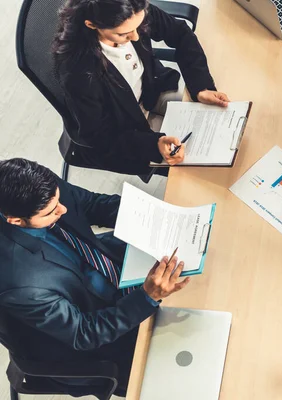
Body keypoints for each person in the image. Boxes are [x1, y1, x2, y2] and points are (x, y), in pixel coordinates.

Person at [0, 158, 190, 394]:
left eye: (58, 199)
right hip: (93, 331)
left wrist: (155, 217)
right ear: (16, 221)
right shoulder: (22, 284)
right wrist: (147, 297)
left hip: (103, 264)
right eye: (51, 212)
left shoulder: (39, 187)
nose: (63, 209)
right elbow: (83, 333)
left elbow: (90, 205)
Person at [53, 0, 230, 177]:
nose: (136, 37)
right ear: (92, 24)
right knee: (204, 170)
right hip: (124, 127)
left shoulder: (132, 9)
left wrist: (201, 87)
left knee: (219, 122)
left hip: (151, 88)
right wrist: (154, 145)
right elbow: (99, 135)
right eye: (123, 34)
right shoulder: (78, 73)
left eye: (138, 26)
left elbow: (181, 33)